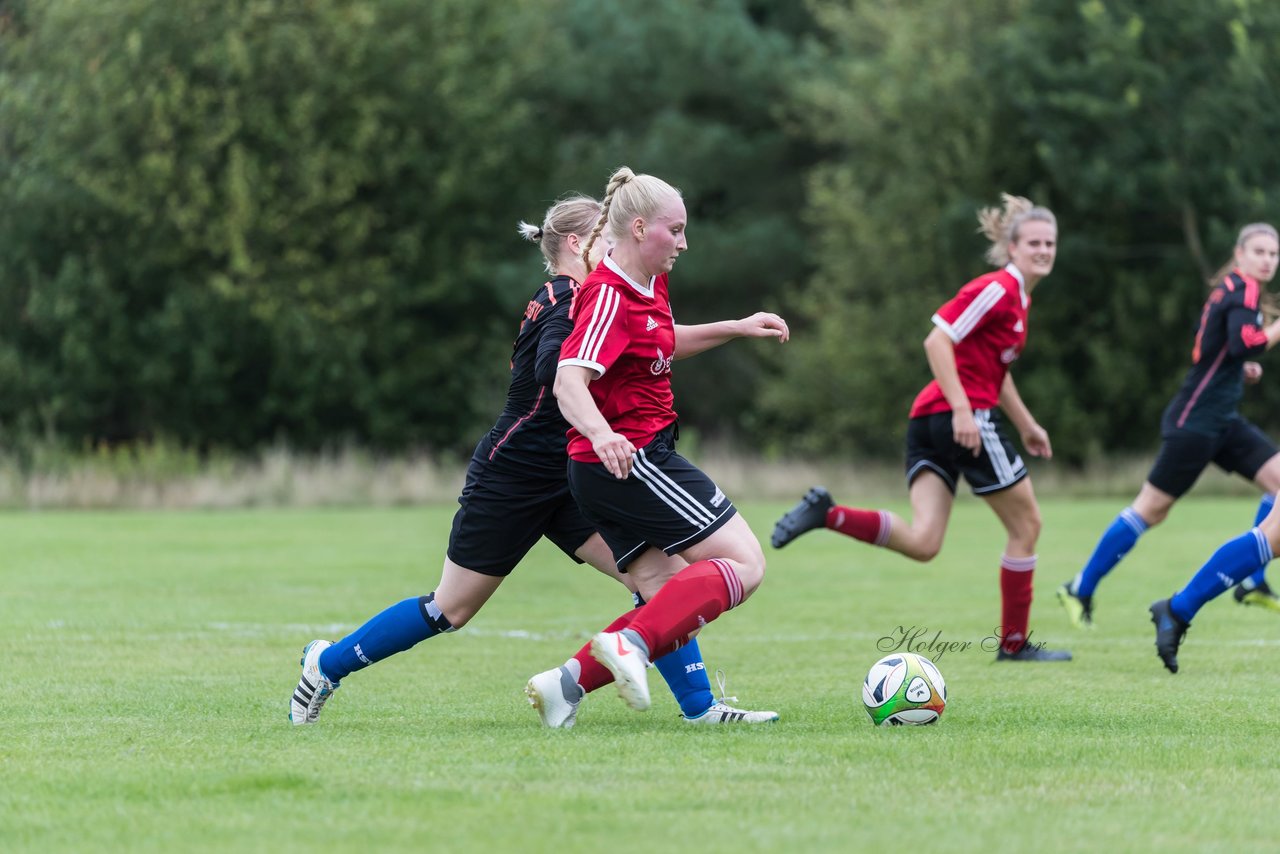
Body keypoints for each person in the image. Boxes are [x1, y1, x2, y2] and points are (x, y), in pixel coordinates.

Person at [288, 194, 776, 727]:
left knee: (659, 581)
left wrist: (731, 328)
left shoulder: (600, 294)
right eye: (604, 238)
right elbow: (558, 368)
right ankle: (325, 665)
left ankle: (699, 708)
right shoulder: (569, 299)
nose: (614, 246)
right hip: (516, 475)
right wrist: (588, 379)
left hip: (582, 471)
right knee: (451, 608)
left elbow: (648, 341)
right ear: (576, 244)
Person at [523, 166, 790, 725]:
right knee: (744, 562)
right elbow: (569, 379)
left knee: (665, 591)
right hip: (633, 460)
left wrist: (736, 327)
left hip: (603, 470)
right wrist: (603, 432)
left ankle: (563, 687)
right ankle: (633, 647)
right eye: (677, 230)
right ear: (640, 228)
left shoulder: (649, 281)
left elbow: (662, 341)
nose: (685, 243)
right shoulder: (608, 296)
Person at [771, 193, 1071, 662]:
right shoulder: (998, 289)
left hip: (930, 420)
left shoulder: (1018, 302)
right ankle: (1014, 646)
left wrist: (1028, 424)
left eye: (1050, 243)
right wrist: (962, 410)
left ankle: (828, 514)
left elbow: (996, 371)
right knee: (1028, 524)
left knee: (925, 541)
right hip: (961, 418)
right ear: (1012, 247)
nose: (1043, 250)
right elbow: (937, 341)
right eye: (1034, 242)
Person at [1059, 223, 1280, 629]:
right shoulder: (1243, 289)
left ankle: (1252, 580)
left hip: (1222, 421)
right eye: (1260, 251)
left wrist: (1238, 371)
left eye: (1274, 253)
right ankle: (1080, 587)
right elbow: (1243, 342)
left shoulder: (1233, 290)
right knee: (1151, 510)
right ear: (1240, 253)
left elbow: (1220, 351)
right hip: (1195, 423)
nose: (1268, 260)